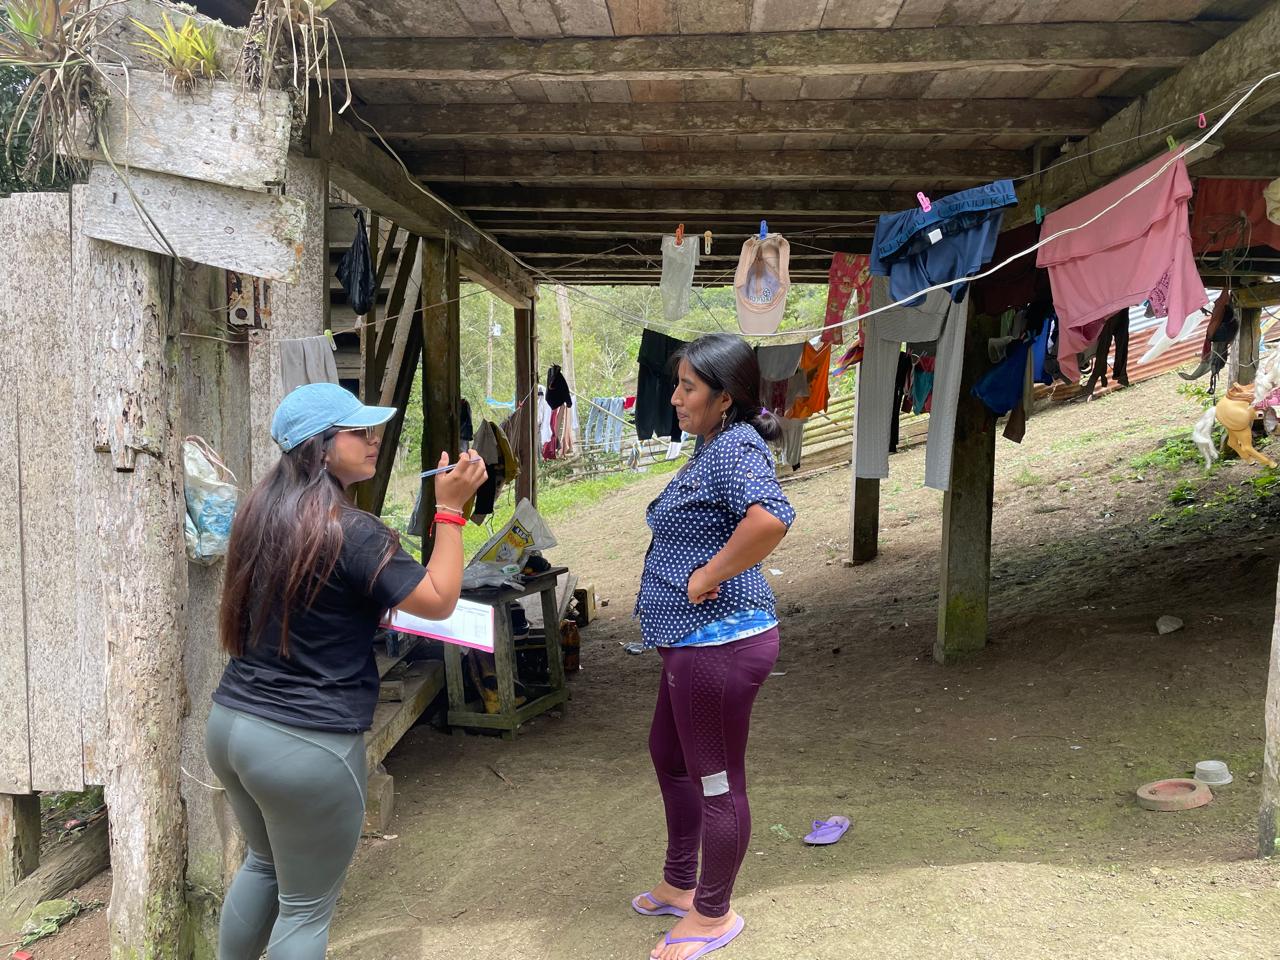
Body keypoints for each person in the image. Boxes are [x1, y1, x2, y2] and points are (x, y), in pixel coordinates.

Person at [205, 382, 487, 959]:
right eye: (358, 431)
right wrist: (451, 511)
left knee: (263, 866)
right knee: (305, 909)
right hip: (305, 743)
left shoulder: (259, 513)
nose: (374, 438)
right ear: (320, 447)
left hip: (232, 724)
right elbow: (438, 600)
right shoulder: (352, 531)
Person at [631, 333, 796, 960]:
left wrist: (709, 574)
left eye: (688, 388)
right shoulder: (714, 445)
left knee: (717, 780)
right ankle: (681, 882)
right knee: (669, 755)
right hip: (690, 642)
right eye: (676, 385)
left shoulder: (735, 447)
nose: (675, 398)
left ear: (724, 397)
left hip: (720, 643)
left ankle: (713, 913)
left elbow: (770, 518)